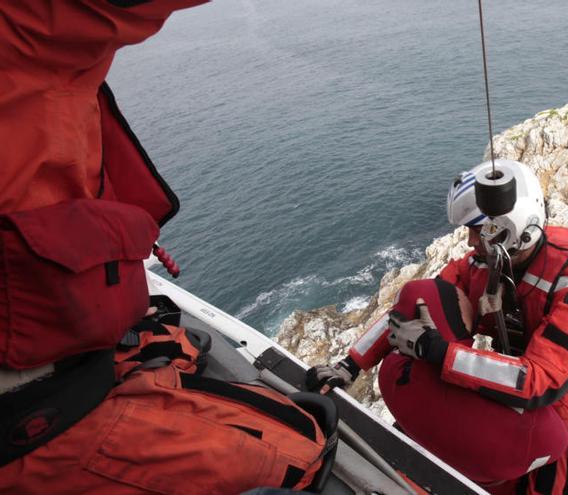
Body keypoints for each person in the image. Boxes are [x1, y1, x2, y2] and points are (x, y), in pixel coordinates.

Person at [0, 2, 330, 492]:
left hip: (60, 361)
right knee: (300, 450)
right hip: (30, 421)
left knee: (189, 350)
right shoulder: (23, 37)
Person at [308, 159, 568, 495]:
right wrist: (350, 365)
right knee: (421, 292)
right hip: (497, 400)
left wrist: (439, 352)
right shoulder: (484, 266)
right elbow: (411, 305)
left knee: (551, 448)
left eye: (477, 229)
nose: (470, 241)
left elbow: (538, 382)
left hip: (542, 415)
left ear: (511, 228)